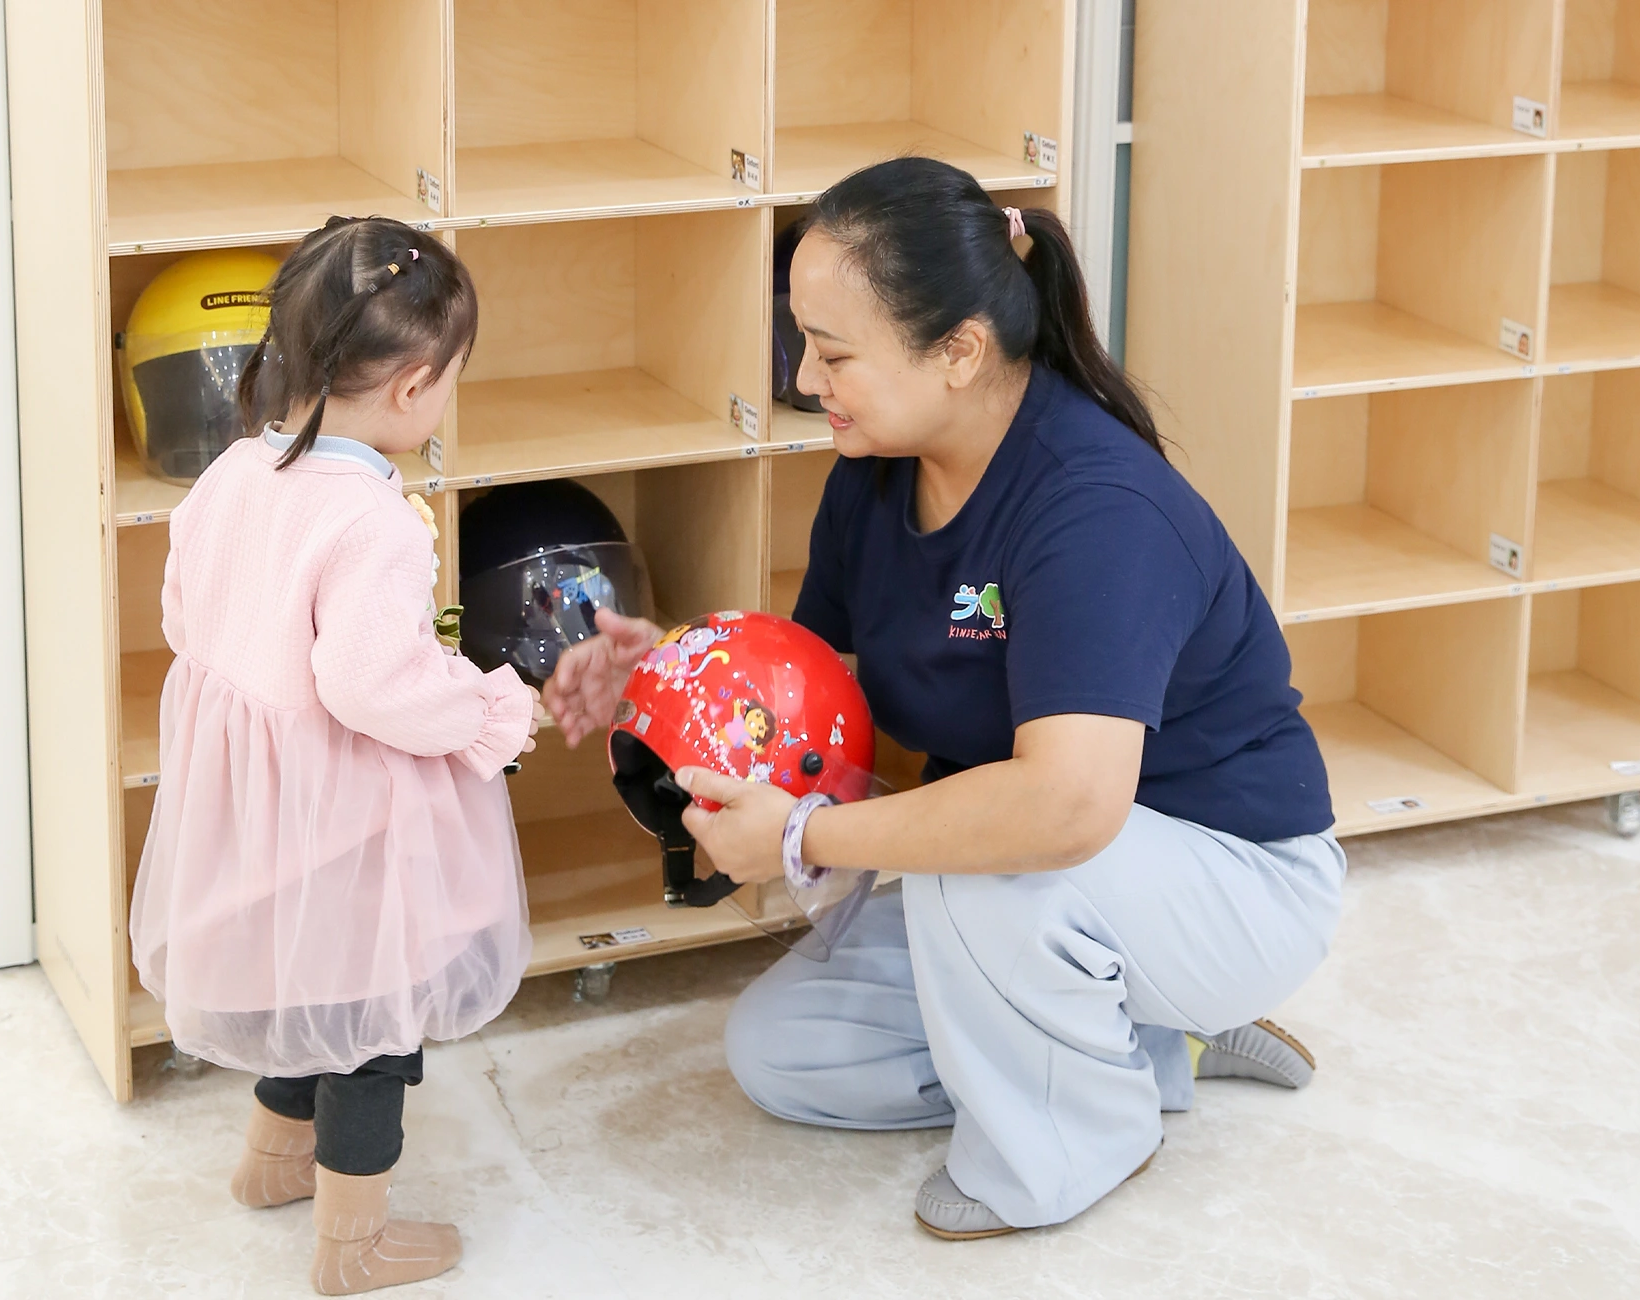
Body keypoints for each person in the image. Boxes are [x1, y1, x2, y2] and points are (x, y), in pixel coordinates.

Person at [544, 157, 1345, 1239]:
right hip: (1048, 882)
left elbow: (1063, 808)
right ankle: (1149, 1035)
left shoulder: (1094, 508)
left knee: (988, 867)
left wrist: (807, 839)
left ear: (959, 349)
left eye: (832, 353)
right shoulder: (872, 475)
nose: (804, 376)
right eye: (798, 344)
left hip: (1230, 877)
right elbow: (812, 706)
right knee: (783, 1054)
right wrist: (668, 671)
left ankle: (1077, 1138)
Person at [129, 216, 538, 1294]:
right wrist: (480, 711)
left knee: (301, 980)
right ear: (412, 387)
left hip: (258, 805)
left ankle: (272, 1162)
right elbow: (370, 685)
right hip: (348, 806)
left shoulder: (230, 473)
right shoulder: (371, 523)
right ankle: (353, 1246)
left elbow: (184, 618)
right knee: (371, 1018)